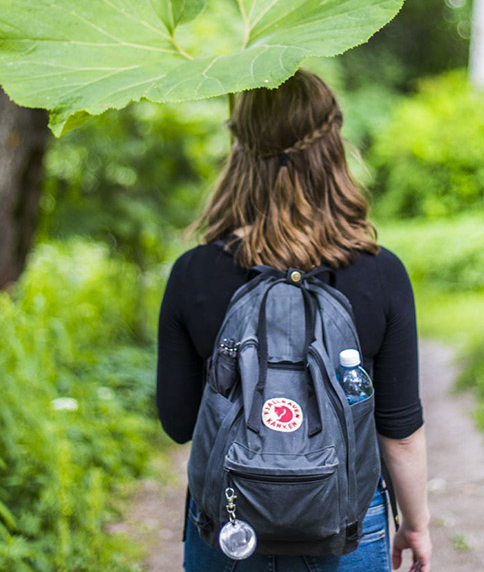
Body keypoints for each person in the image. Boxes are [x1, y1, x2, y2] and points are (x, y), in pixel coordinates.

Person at [156, 69, 433, 572]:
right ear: (333, 148)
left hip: (230, 524)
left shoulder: (193, 274)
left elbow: (178, 424)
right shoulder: (380, 272)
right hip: (346, 525)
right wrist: (417, 524)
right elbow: (400, 430)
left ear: (239, 152)